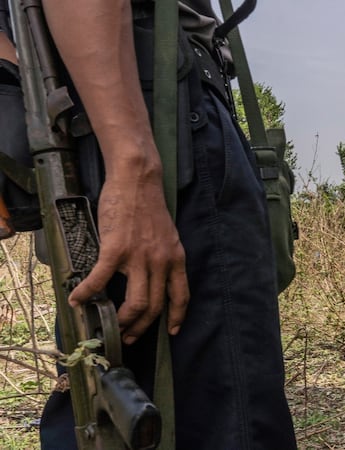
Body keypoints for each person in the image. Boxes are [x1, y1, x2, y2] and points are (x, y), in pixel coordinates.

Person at [28, 1, 297, 448]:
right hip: (156, 116)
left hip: (105, 110)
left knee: (107, 396)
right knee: (228, 417)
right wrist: (132, 163)